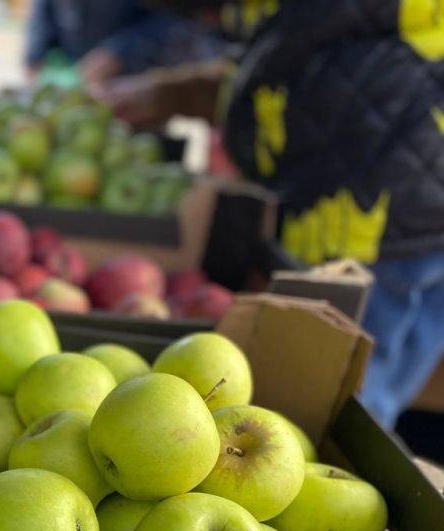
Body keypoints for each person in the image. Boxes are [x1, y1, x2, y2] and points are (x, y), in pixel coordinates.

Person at [84, 0, 444, 429]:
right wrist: (175, 93)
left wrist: (182, 93)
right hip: (383, 200)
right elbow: (295, 57)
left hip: (380, 218)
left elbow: (297, 64)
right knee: (355, 394)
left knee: (342, 411)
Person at [25, 0, 224, 84]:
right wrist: (35, 56)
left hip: (139, 85)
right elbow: (43, 18)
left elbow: (173, 21)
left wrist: (118, 52)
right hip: (77, 82)